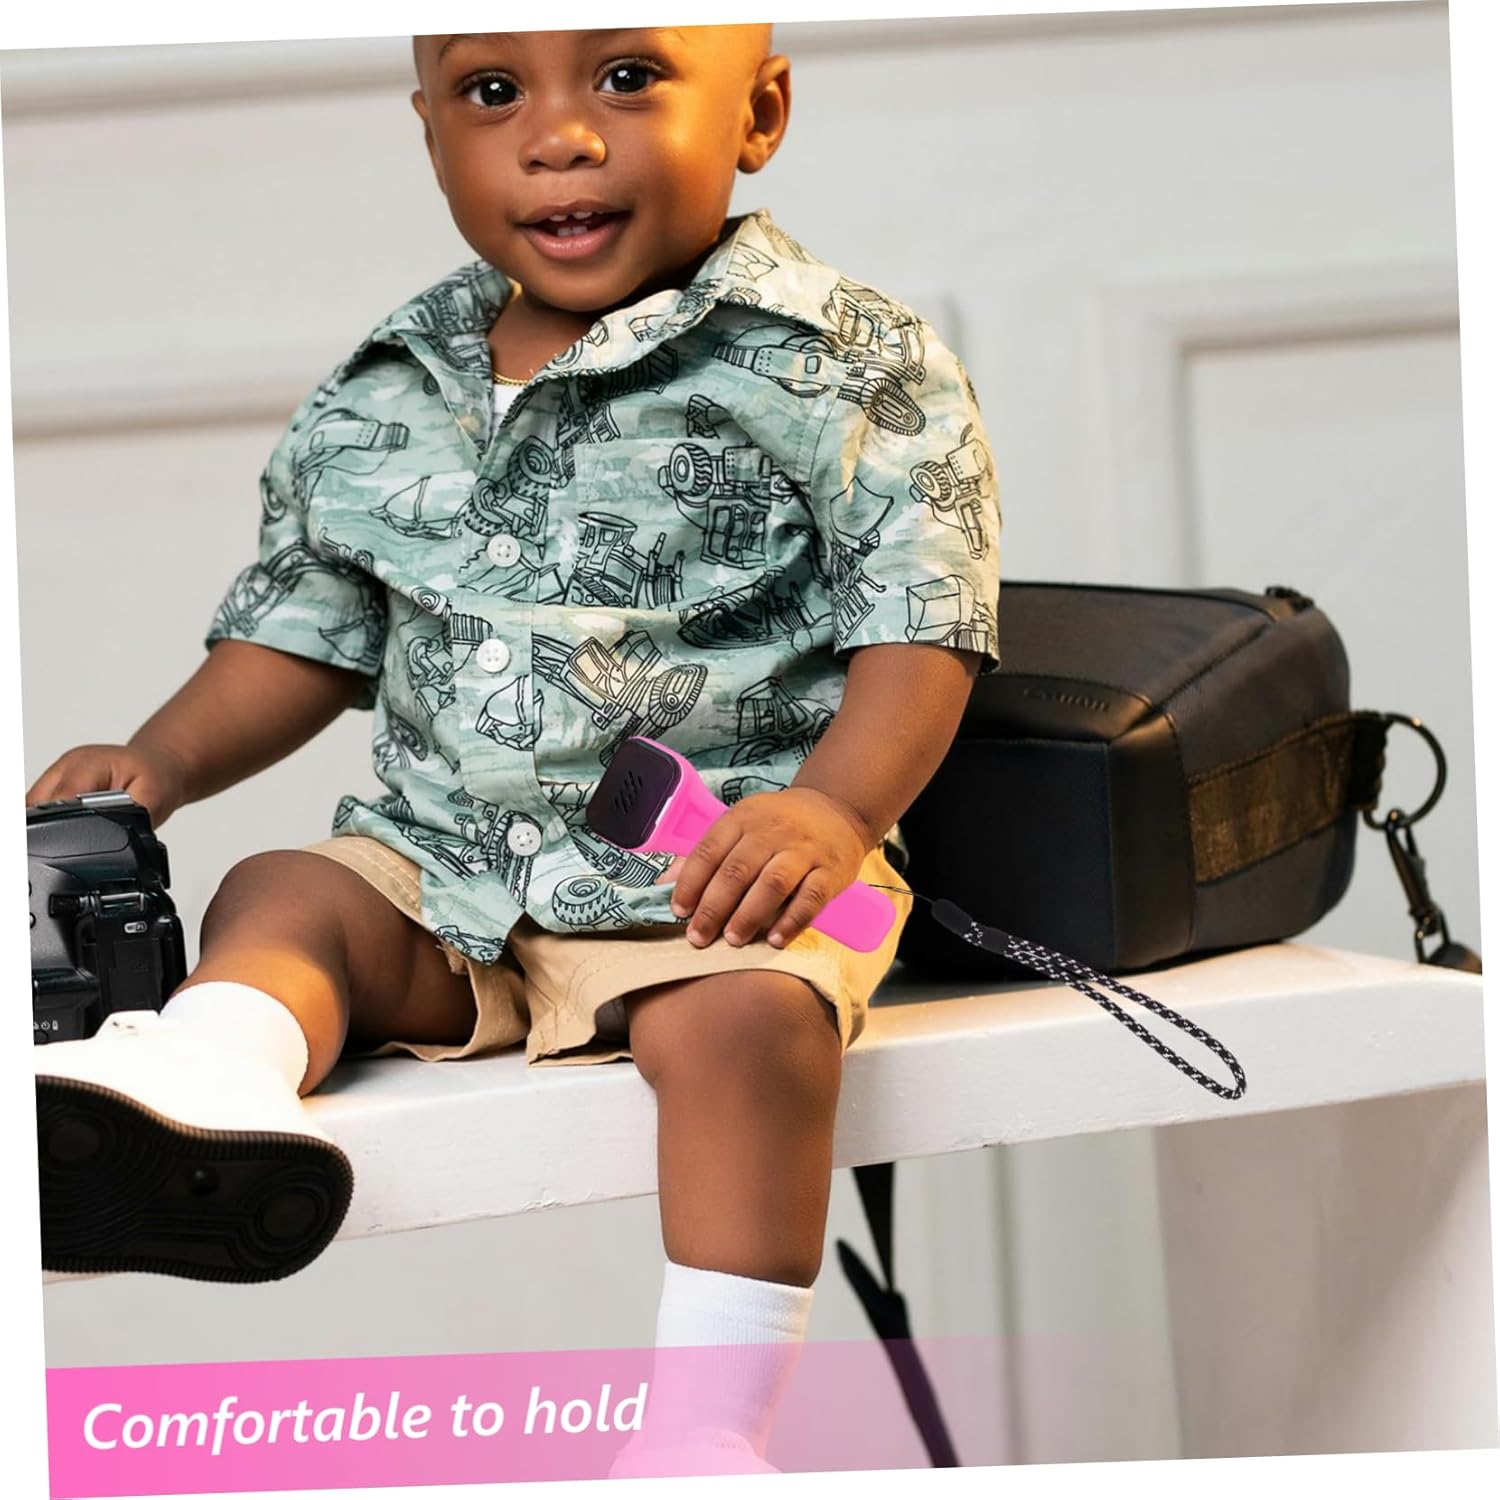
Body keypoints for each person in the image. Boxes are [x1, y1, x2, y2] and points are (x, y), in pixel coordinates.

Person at [28, 24, 1001, 1479]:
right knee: (284, 894)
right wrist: (158, 759)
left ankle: (704, 1436)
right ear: (429, 128)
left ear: (760, 113)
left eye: (627, 78)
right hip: (443, 872)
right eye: (494, 92)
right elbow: (308, 628)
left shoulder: (846, 359)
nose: (558, 135)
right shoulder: (394, 379)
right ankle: (204, 1093)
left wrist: (834, 811)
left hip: (722, 880)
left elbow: (922, 623)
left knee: (751, 1031)